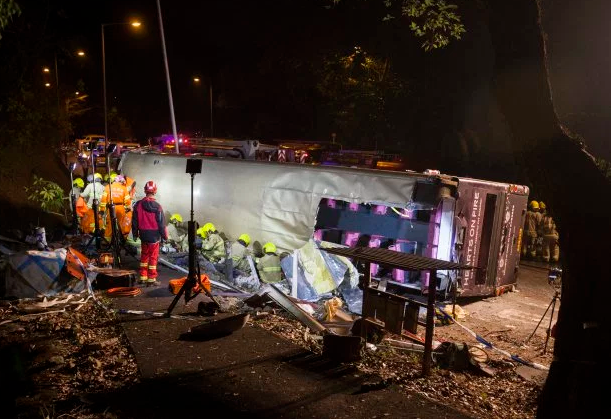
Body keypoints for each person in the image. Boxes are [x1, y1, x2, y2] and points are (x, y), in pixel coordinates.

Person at [132, 181, 167, 285]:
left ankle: (143, 277)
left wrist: (135, 234)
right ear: (155, 191)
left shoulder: (138, 205)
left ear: (145, 190)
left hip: (143, 234)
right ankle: (151, 279)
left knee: (144, 256)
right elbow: (161, 223)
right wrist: (164, 236)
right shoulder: (158, 206)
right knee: (153, 257)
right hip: (154, 236)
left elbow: (134, 221)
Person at [99, 174, 131, 241]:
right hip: (120, 208)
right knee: (121, 224)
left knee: (109, 224)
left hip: (111, 208)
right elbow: (128, 201)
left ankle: (107, 240)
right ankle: (121, 239)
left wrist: (102, 209)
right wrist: (126, 208)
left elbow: (103, 200)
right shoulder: (123, 188)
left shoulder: (108, 187)